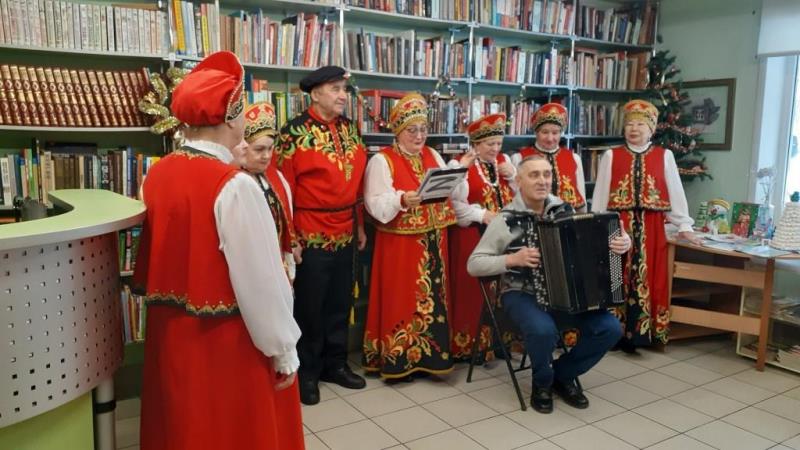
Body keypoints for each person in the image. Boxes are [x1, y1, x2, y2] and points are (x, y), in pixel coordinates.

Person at [132, 51, 303, 449]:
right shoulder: (235, 186)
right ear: (231, 118)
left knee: (184, 428)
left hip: (172, 338)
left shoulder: (157, 173)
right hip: (225, 343)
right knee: (231, 432)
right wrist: (283, 350)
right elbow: (261, 283)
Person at [467, 154, 631, 414]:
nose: (542, 181)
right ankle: (542, 383)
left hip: (567, 295)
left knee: (609, 328)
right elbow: (474, 264)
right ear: (519, 181)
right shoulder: (505, 219)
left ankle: (562, 374)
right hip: (521, 294)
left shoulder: (565, 211)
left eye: (546, 174)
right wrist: (512, 259)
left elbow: (595, 245)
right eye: (534, 175)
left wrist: (623, 242)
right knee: (543, 330)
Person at [275, 65, 368, 405]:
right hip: (310, 232)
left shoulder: (351, 129)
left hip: (346, 229)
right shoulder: (293, 133)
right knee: (309, 307)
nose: (343, 95)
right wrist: (291, 238)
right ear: (315, 94)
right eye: (335, 89)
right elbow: (283, 190)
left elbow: (357, 183)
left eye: (344, 89)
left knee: (340, 303)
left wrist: (360, 224)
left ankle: (336, 365)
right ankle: (308, 372)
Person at [362, 93, 465, 380]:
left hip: (435, 240)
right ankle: (399, 360)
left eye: (423, 129)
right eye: (412, 130)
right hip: (401, 245)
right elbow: (374, 202)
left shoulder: (432, 154)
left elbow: (449, 187)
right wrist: (400, 200)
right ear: (398, 131)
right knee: (402, 297)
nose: (419, 136)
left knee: (434, 297)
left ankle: (432, 358)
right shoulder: (382, 160)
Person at [592, 99, 700, 352]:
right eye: (630, 124)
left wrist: (685, 225)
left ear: (651, 129)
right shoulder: (611, 155)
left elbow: (675, 192)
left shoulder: (665, 156)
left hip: (652, 227)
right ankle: (614, 333)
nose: (634, 129)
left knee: (651, 276)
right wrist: (598, 224)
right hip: (618, 224)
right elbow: (601, 193)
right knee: (615, 276)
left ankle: (643, 333)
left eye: (640, 124)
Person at [448, 113, 516, 360]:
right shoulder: (459, 164)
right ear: (476, 144)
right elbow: (453, 205)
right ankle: (470, 347)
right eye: (490, 144)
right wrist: (481, 214)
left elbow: (521, 194)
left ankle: (500, 342)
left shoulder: (504, 162)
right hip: (472, 235)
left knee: (503, 288)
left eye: (499, 143)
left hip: (502, 237)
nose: (495, 149)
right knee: (473, 291)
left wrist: (513, 175)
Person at [241, 101, 297, 281]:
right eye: (259, 149)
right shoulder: (234, 182)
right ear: (243, 147)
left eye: (270, 148)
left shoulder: (277, 178)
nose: (266, 156)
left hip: (277, 258)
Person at [512, 103, 586, 211]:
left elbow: (581, 197)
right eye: (545, 132)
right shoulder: (519, 158)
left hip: (568, 217)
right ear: (536, 132)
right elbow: (514, 195)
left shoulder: (574, 158)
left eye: (555, 133)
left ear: (561, 133)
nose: (550, 138)